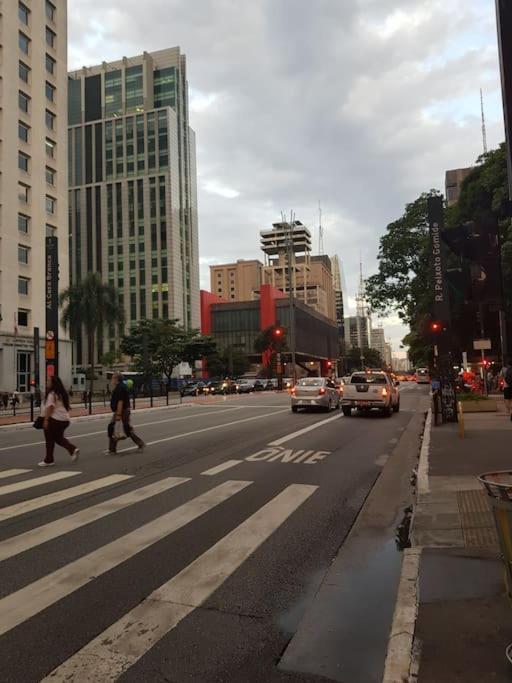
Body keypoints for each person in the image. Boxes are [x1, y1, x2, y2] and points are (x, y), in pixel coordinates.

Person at [39, 376, 79, 467]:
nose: (46, 382)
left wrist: (46, 420)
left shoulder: (51, 394)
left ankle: (49, 460)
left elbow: (50, 407)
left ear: (53, 383)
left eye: (48, 381)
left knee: (49, 440)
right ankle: (72, 449)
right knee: (58, 438)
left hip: (55, 419)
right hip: (64, 420)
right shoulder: (61, 393)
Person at [105, 372, 145, 455]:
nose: (111, 379)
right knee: (112, 428)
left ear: (117, 379)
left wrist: (118, 415)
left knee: (124, 429)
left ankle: (140, 444)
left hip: (122, 411)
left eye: (113, 378)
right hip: (121, 411)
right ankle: (112, 449)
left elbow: (120, 402)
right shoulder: (120, 387)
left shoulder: (120, 388)